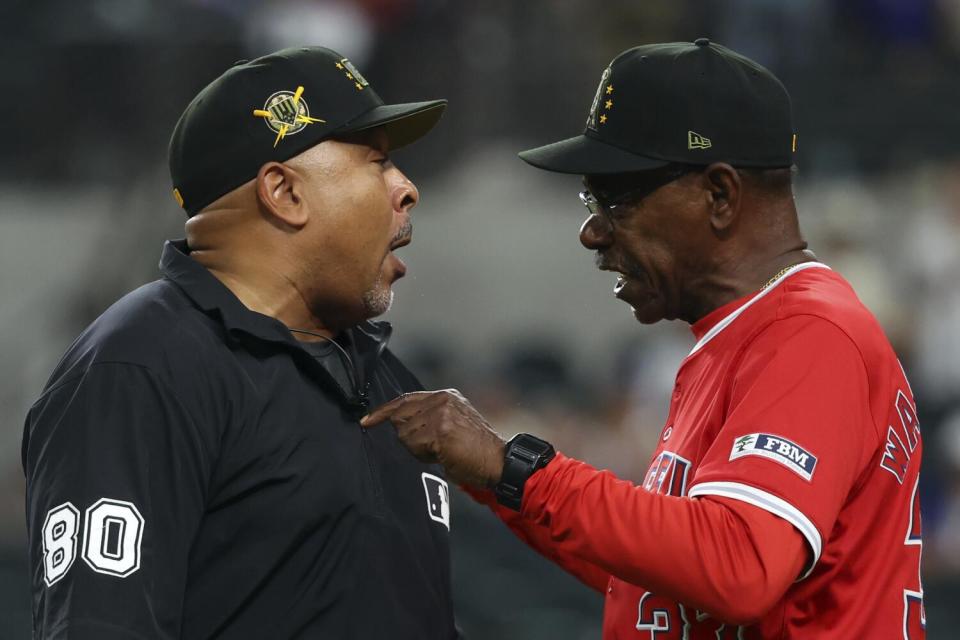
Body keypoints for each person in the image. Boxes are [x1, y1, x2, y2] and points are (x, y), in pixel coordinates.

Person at [362, 39, 926, 639]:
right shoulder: (750, 329)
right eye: (592, 199)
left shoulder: (808, 332)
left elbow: (740, 566)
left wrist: (517, 468)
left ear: (719, 195)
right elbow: (658, 579)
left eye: (617, 199)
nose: (592, 231)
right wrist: (498, 478)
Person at [22, 46, 459, 639]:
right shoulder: (142, 366)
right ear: (283, 192)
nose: (407, 189)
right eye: (376, 162)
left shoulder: (386, 379)